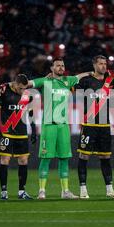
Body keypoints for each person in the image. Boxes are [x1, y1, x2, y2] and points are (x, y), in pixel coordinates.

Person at [28, 58, 92, 199]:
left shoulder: (67, 81)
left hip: (63, 126)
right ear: (52, 68)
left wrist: (92, 72)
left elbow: (79, 76)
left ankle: (65, 191)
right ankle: (42, 191)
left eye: (63, 65)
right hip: (49, 125)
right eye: (58, 66)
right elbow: (27, 84)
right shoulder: (45, 81)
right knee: (46, 158)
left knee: (64, 158)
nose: (61, 67)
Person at [75, 55, 114, 199]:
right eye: (101, 64)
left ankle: (110, 190)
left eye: (105, 64)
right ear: (94, 65)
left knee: (105, 156)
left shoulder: (111, 81)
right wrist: (86, 73)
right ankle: (83, 189)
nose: (103, 66)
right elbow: (72, 82)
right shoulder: (86, 80)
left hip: (104, 125)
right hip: (89, 123)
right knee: (84, 155)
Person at [0, 74, 35, 200]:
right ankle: (4, 192)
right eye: (20, 88)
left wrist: (33, 130)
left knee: (23, 161)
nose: (23, 91)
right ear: (15, 84)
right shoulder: (4, 91)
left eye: (24, 88)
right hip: (7, 132)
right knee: (5, 160)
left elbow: (30, 113)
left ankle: (22, 191)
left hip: (22, 133)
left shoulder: (26, 95)